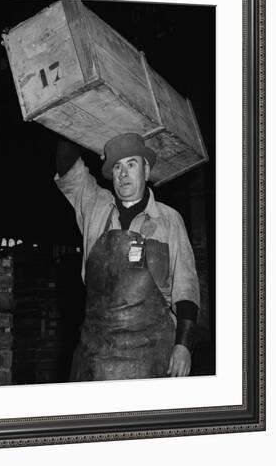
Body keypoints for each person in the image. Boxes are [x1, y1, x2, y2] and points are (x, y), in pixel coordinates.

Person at [55, 133, 200, 381]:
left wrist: (184, 345)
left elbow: (186, 288)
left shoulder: (169, 220)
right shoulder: (95, 206)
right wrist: (75, 118)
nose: (123, 174)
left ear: (145, 168)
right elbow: (67, 168)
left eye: (131, 164)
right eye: (117, 167)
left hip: (153, 355)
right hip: (95, 356)